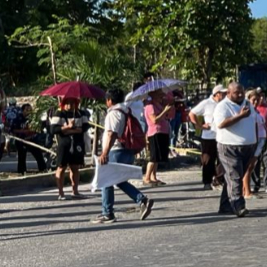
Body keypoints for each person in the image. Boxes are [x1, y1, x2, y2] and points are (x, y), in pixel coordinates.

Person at [94, 88, 154, 224]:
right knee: (119, 180)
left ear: (109, 100)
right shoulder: (126, 111)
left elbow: (112, 133)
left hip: (116, 150)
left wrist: (105, 152)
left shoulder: (114, 113)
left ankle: (107, 212)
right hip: (126, 150)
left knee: (106, 180)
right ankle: (142, 199)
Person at [210, 82, 258, 217]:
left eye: (242, 91)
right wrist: (240, 116)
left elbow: (254, 121)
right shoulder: (222, 106)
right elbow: (221, 124)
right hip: (229, 147)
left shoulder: (247, 104)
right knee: (235, 177)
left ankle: (225, 205)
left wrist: (255, 141)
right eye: (237, 92)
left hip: (247, 146)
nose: (241, 95)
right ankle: (238, 205)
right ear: (229, 93)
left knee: (233, 177)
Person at [48, 97, 90, 201]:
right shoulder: (59, 114)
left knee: (75, 167)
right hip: (64, 144)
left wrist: (72, 131)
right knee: (61, 167)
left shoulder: (80, 114)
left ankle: (75, 191)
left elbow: (85, 127)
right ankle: (61, 193)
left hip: (77, 144)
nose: (70, 105)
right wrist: (67, 127)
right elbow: (53, 129)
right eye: (67, 103)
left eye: (72, 103)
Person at [190, 86, 226, 191]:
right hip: (208, 136)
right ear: (217, 94)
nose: (224, 95)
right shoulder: (206, 103)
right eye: (222, 93)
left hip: (222, 136)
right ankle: (207, 182)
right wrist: (199, 126)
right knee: (208, 160)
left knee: (222, 159)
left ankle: (219, 180)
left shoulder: (225, 104)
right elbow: (192, 113)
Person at [142, 89, 173, 187]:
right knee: (153, 157)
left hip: (162, 132)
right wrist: (164, 111)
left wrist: (167, 110)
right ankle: (147, 177)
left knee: (158, 158)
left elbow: (164, 116)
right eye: (159, 95)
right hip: (154, 132)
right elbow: (154, 120)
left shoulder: (159, 105)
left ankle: (153, 176)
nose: (161, 97)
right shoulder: (150, 106)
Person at [244, 89, 267, 199]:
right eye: (253, 100)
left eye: (257, 100)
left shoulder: (256, 111)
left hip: (260, 141)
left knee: (251, 166)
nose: (255, 102)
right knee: (249, 167)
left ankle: (246, 189)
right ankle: (247, 191)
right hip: (254, 141)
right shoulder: (247, 111)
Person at [9, 103, 46, 174]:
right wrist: (24, 131)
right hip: (21, 140)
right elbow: (13, 130)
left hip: (32, 139)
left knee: (38, 154)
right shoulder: (18, 119)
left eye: (30, 110)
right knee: (22, 157)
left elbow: (38, 129)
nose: (28, 112)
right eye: (27, 110)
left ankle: (43, 169)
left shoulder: (33, 119)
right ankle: (21, 172)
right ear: (22, 110)